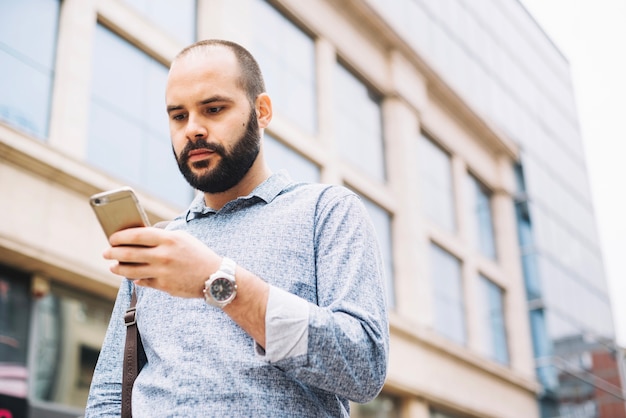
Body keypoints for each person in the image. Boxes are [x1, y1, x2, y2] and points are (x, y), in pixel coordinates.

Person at [85, 39, 389, 417]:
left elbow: (364, 367)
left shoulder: (326, 212)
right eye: (178, 116)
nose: (193, 129)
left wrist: (218, 281)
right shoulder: (160, 246)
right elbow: (110, 395)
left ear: (262, 111)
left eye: (213, 109)